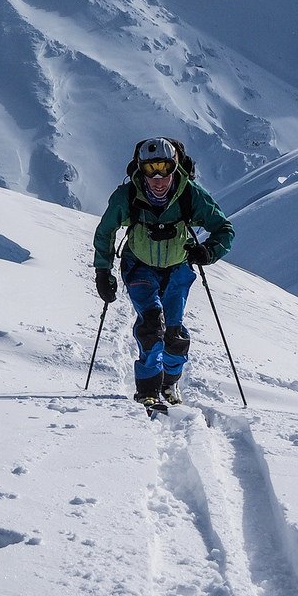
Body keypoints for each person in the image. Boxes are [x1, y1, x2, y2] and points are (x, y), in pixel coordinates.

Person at [93, 137, 233, 413]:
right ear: (140, 169)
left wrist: (208, 251)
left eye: (164, 170)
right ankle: (148, 389)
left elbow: (224, 229)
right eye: (150, 170)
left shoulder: (190, 194)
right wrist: (102, 272)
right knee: (150, 326)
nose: (158, 179)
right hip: (139, 266)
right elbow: (106, 232)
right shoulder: (128, 195)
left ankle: (170, 382)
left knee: (175, 334)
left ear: (175, 166)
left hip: (178, 269)